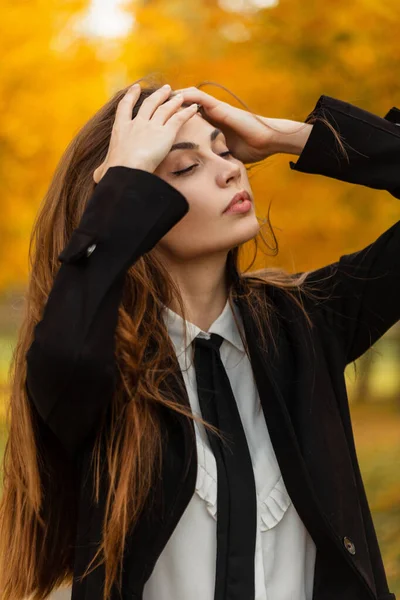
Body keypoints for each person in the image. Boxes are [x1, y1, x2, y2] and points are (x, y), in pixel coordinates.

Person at [0, 78, 398, 600]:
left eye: (226, 151)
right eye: (186, 167)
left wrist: (292, 137)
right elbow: (65, 352)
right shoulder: (100, 369)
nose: (232, 168)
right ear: (130, 200)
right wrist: (119, 183)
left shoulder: (307, 321)